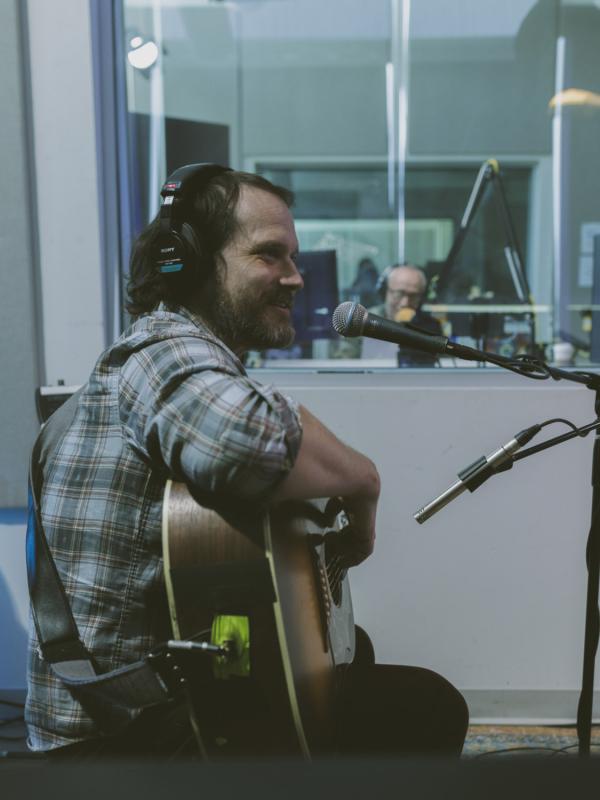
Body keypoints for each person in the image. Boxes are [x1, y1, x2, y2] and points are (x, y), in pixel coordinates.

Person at [25, 165, 468, 759]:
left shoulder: (187, 360)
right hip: (118, 739)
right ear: (189, 261)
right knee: (427, 707)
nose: (294, 278)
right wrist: (365, 482)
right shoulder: (163, 351)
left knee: (348, 652)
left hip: (150, 709)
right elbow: (245, 445)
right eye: (269, 256)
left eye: (293, 257)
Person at [331, 263, 443, 366]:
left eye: (413, 296)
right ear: (384, 291)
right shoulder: (361, 321)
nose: (405, 303)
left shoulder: (430, 327)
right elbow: (343, 364)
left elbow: (445, 367)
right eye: (399, 294)